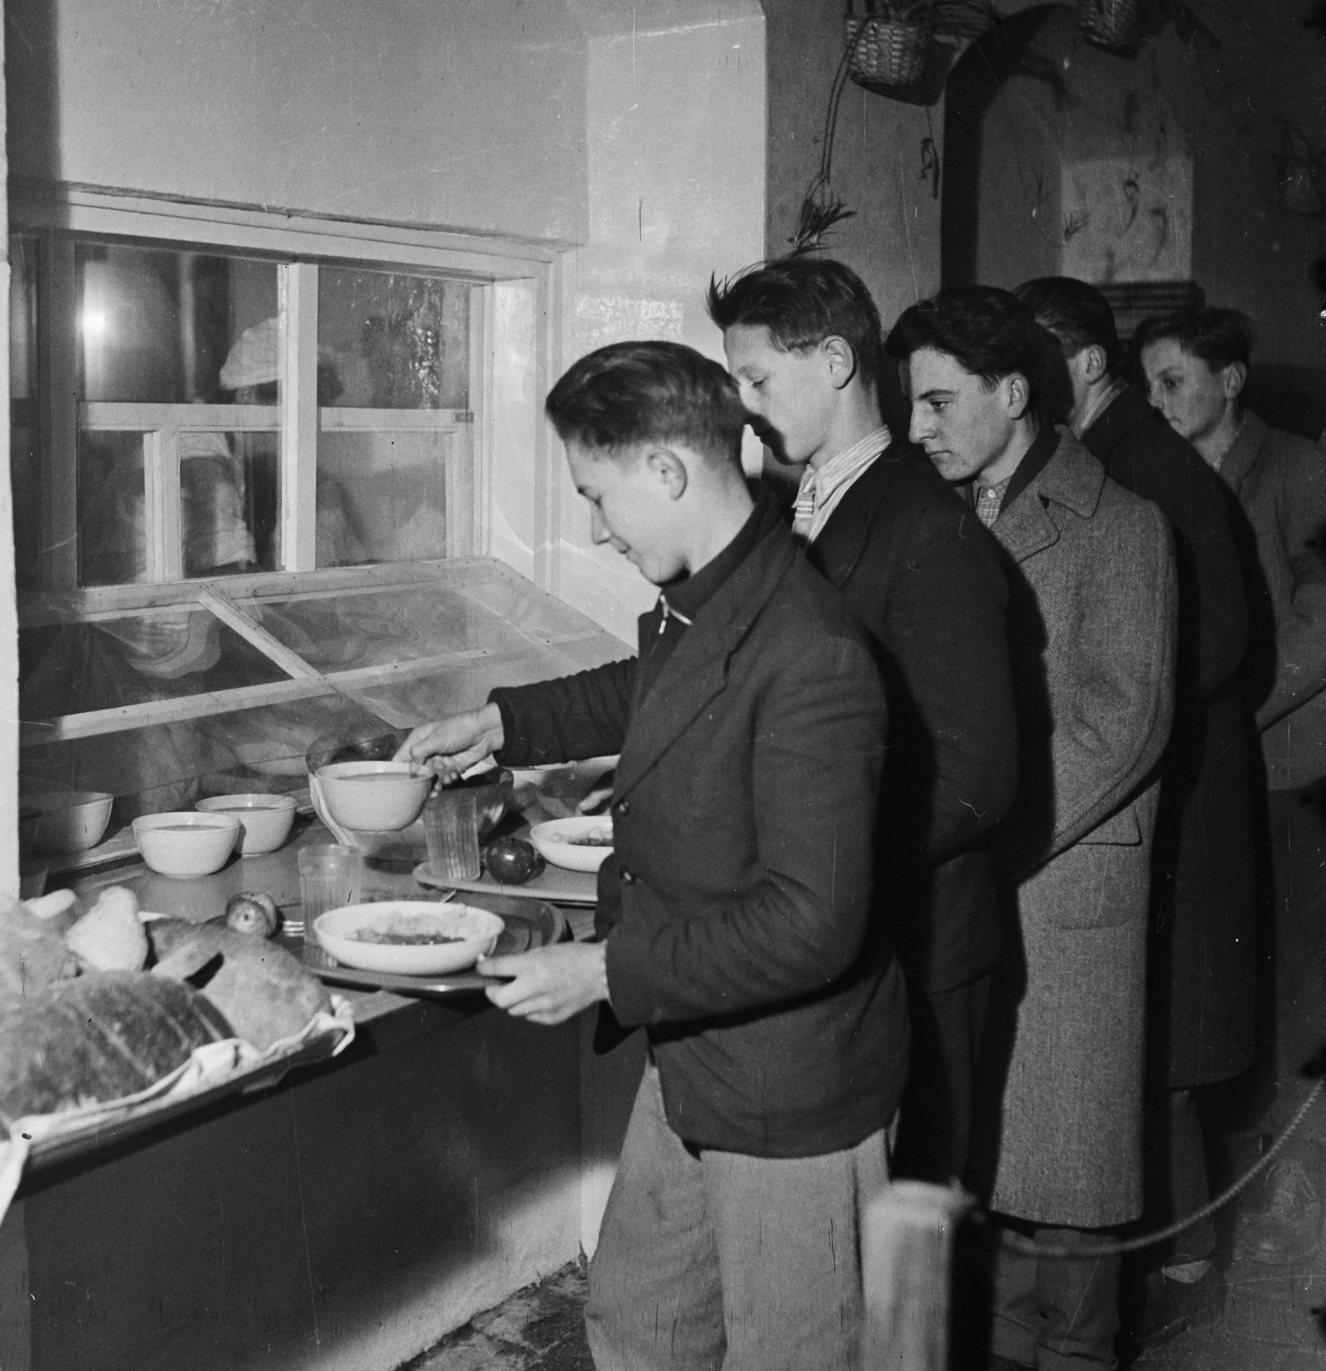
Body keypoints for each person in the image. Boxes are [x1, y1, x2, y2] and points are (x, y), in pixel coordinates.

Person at [395, 340, 908, 1371]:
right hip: (697, 1052)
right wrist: (503, 723)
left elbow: (814, 923)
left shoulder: (813, 653)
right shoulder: (724, 592)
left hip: (789, 1084)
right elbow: (657, 688)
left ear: (667, 473)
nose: (592, 526)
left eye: (598, 495)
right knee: (639, 1325)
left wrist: (598, 969)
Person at [887, 287, 1176, 1371]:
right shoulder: (937, 515)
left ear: (1014, 395)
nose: (917, 429)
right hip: (963, 889)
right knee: (980, 1170)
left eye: (936, 403)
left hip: (1056, 883)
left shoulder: (1126, 526)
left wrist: (976, 830)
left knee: (1067, 1192)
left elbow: (1123, 724)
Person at [707, 255, 1018, 1185]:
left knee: (907, 1246)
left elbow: (975, 776)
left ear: (837, 361)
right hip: (835, 934)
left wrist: (814, 856)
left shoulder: (932, 535)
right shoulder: (793, 505)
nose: (745, 403)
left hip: (916, 943)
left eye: (757, 378)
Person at [1019, 277, 1255, 1342]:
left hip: (1174, 786)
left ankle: (1175, 1248)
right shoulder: (1113, 455)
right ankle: (1166, 1240)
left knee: (1148, 1035)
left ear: (1077, 365)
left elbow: (1217, 645)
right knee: (1140, 1038)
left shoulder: (1141, 471)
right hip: (1149, 780)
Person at [1140, 308, 1326, 1268]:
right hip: (1215, 780)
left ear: (1232, 381)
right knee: (1222, 994)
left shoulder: (1298, 468)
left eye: (1174, 380)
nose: (1158, 400)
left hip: (1291, 768)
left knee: (1294, 988)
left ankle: (1291, 1204)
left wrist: (1233, 711)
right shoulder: (1173, 480)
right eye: (1150, 383)